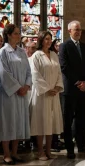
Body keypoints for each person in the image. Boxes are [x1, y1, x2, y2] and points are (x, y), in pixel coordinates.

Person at [0, 24, 32, 164]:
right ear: (9, 35)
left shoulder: (22, 52)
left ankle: (15, 152)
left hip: (22, 93)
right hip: (9, 94)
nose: (18, 35)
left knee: (18, 122)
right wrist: (18, 88)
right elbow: (4, 73)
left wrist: (27, 85)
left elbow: (29, 71)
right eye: (16, 33)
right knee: (8, 122)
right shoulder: (3, 52)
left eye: (19, 33)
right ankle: (6, 153)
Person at [59, 20, 85, 159]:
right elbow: (64, 67)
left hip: (83, 89)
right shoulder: (64, 46)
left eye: (80, 29)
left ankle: (81, 145)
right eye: (76, 29)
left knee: (81, 118)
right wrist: (78, 82)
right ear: (69, 31)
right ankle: (69, 148)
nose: (78, 32)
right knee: (68, 119)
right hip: (70, 89)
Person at [29, 31, 64, 160]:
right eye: (46, 39)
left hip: (53, 94)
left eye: (50, 39)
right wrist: (47, 89)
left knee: (50, 122)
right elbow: (35, 75)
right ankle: (40, 151)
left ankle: (48, 150)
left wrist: (57, 87)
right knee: (40, 122)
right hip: (41, 94)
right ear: (41, 40)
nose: (49, 41)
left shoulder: (54, 55)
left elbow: (59, 73)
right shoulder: (36, 55)